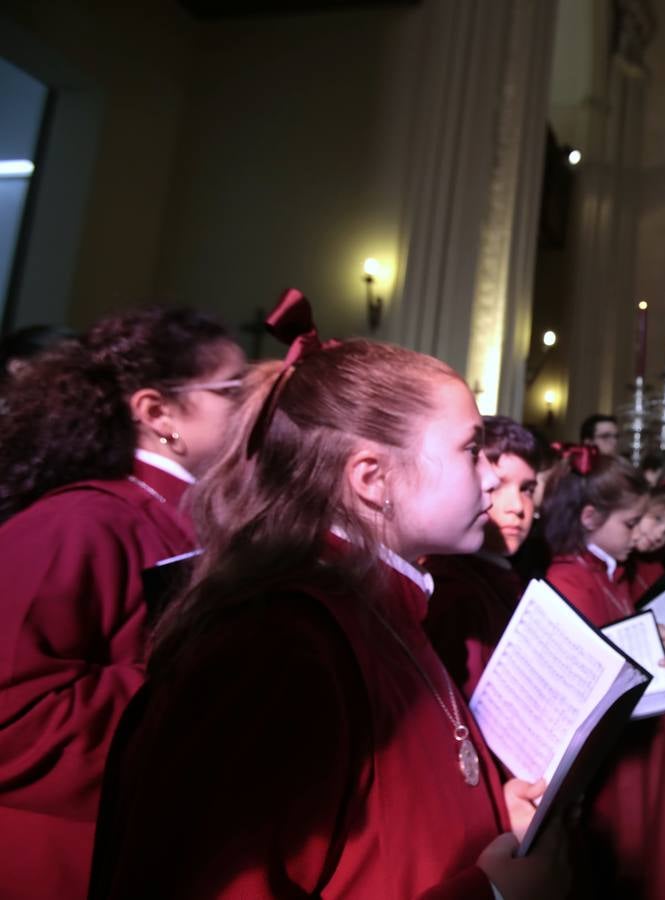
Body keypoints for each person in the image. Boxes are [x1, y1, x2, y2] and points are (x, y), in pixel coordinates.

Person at [87, 295, 565, 899]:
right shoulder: (276, 645)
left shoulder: (385, 603)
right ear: (372, 479)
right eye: (471, 450)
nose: (493, 477)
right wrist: (493, 894)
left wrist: (491, 809)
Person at [0, 307, 243, 899]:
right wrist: (212, 687)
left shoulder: (195, 519)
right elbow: (13, 714)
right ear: (158, 413)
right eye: (233, 392)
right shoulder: (78, 522)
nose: (254, 410)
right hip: (64, 864)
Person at [542, 450, 665, 900]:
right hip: (606, 759)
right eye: (630, 523)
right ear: (589, 518)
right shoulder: (570, 580)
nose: (640, 533)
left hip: (630, 742)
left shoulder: (607, 571)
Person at [422, 416, 541, 695]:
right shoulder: (452, 590)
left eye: (527, 490)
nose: (517, 507)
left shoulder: (505, 577)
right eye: (498, 486)